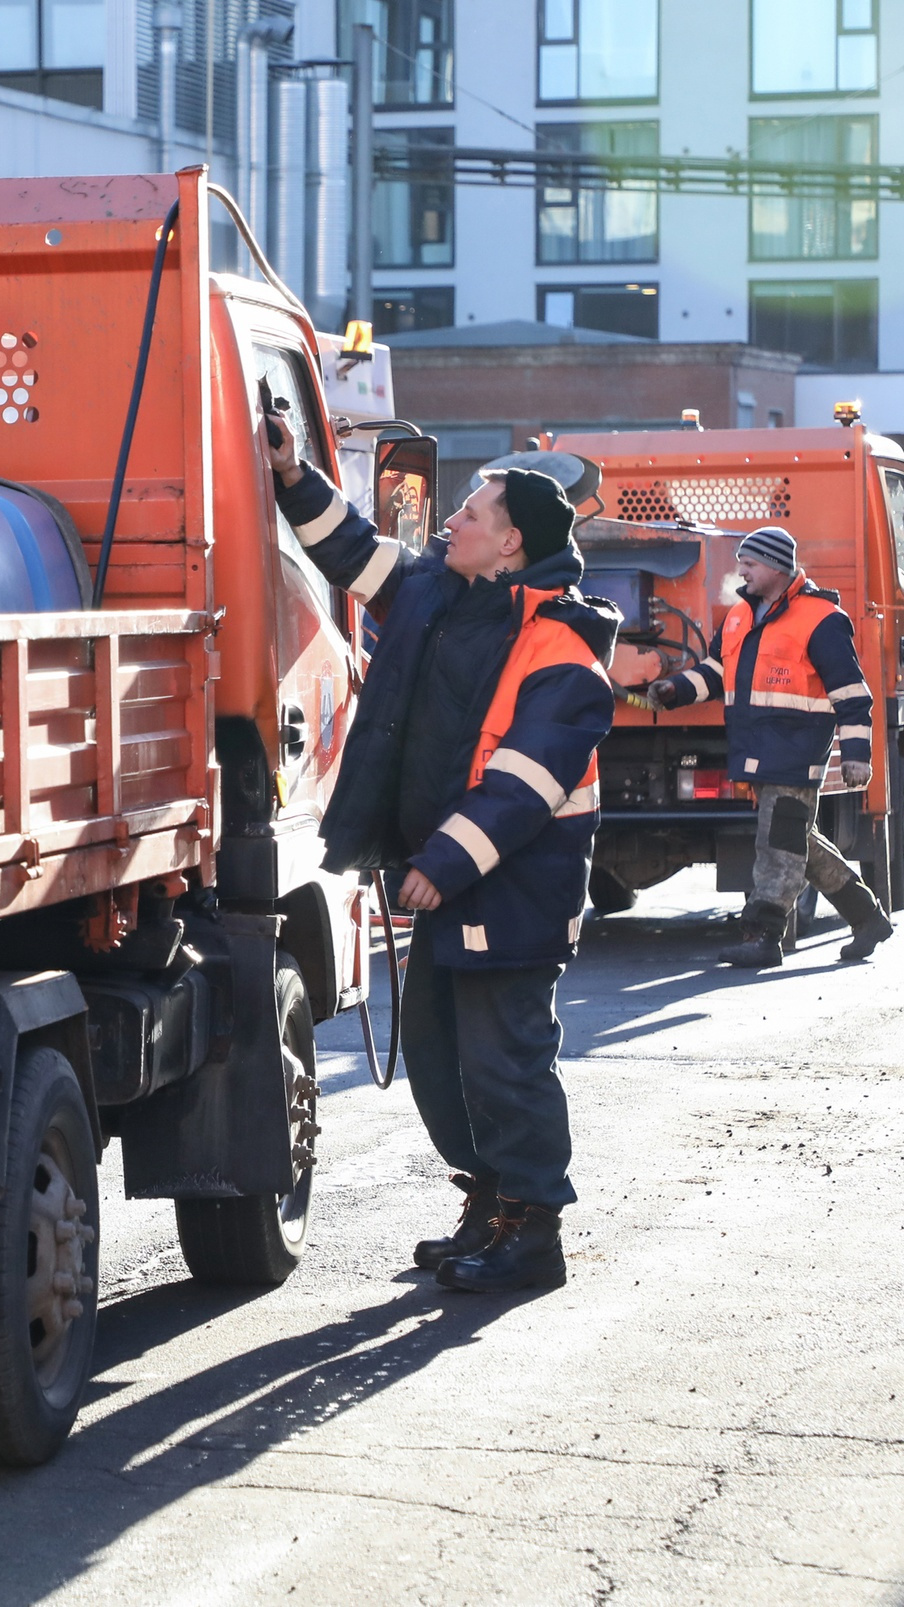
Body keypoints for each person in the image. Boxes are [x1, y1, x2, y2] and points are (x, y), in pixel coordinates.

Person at [270, 430, 616, 1295]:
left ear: (513, 542)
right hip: (451, 883)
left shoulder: (561, 655)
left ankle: (533, 1232)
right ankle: (490, 1201)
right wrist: (288, 470)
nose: (449, 520)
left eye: (470, 511)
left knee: (505, 1061)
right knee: (438, 1054)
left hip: (514, 894)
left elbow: (522, 786)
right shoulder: (434, 592)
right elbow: (350, 547)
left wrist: (443, 863)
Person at [642, 526, 893, 968]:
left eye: (750, 563)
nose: (741, 570)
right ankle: (868, 918)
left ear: (778, 567)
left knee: (777, 847)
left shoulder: (821, 619)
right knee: (797, 842)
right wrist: (674, 690)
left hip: (794, 752)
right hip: (756, 749)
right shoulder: (740, 616)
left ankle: (763, 936)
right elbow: (716, 672)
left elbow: (852, 694)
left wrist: (856, 756)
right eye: (742, 562)